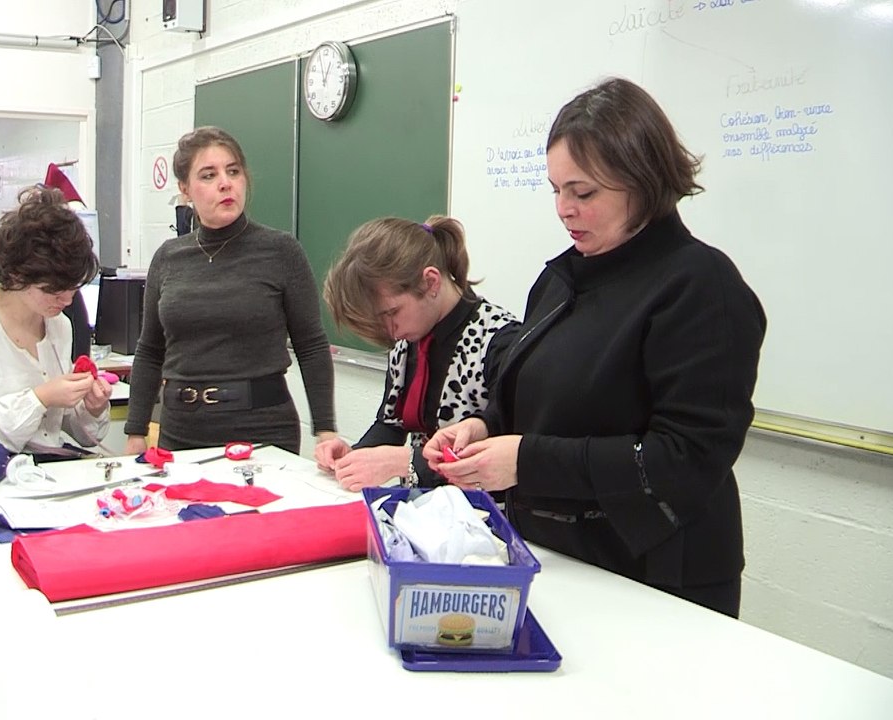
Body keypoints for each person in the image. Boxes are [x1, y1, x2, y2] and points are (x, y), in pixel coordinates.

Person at [423, 77, 766, 617]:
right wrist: (485, 428)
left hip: (657, 579)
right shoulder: (562, 279)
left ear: (643, 180)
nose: (564, 209)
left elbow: (685, 458)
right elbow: (541, 402)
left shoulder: (700, 286)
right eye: (555, 190)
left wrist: (526, 461)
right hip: (560, 558)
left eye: (583, 193)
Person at [123, 126, 338, 455]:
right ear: (185, 189)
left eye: (233, 171)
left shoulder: (280, 251)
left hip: (261, 430)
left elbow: (310, 344)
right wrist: (136, 431)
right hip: (181, 431)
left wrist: (325, 430)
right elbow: (151, 350)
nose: (225, 183)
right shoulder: (168, 257)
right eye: (208, 175)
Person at [316, 216, 518, 491]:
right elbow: (391, 424)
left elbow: (504, 453)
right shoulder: (409, 338)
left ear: (431, 282)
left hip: (482, 511)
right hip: (424, 507)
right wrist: (354, 456)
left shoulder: (498, 341)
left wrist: (406, 461)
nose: (390, 331)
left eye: (392, 312)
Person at [0, 186, 112, 468]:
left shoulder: (58, 325)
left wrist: (92, 408)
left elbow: (64, 430)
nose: (67, 301)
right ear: (17, 275)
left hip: (41, 469)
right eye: (53, 290)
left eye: (73, 289)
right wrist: (40, 398)